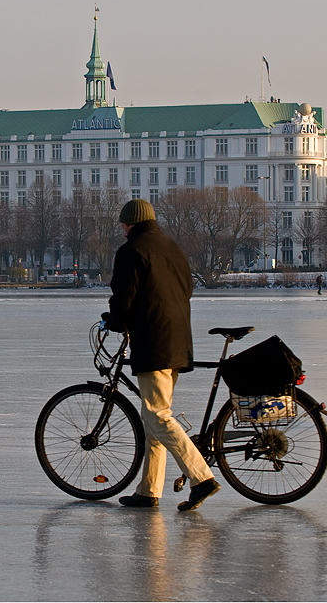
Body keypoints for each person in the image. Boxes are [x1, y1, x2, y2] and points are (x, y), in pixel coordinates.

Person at [104, 198, 221, 511]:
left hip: (154, 339)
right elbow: (186, 290)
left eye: (124, 224)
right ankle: (149, 489)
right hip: (178, 339)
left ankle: (202, 478)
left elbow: (124, 298)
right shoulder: (172, 248)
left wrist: (113, 320)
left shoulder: (131, 251)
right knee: (154, 415)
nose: (123, 229)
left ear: (131, 224)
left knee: (157, 415)